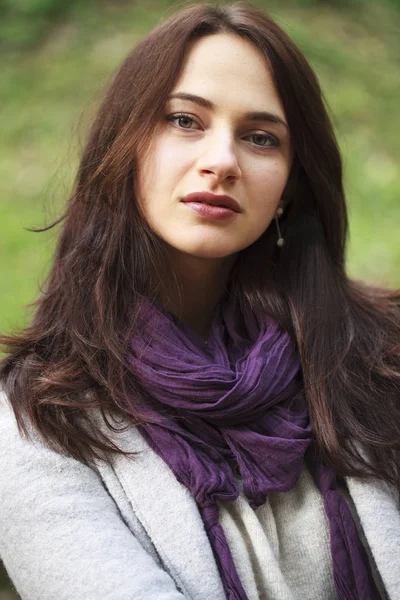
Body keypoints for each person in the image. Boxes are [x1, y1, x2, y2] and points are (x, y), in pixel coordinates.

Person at [0, 3, 399, 599]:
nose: (221, 162)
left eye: (261, 138)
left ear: (290, 187)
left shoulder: (380, 359)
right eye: (185, 121)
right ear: (123, 148)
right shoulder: (36, 421)